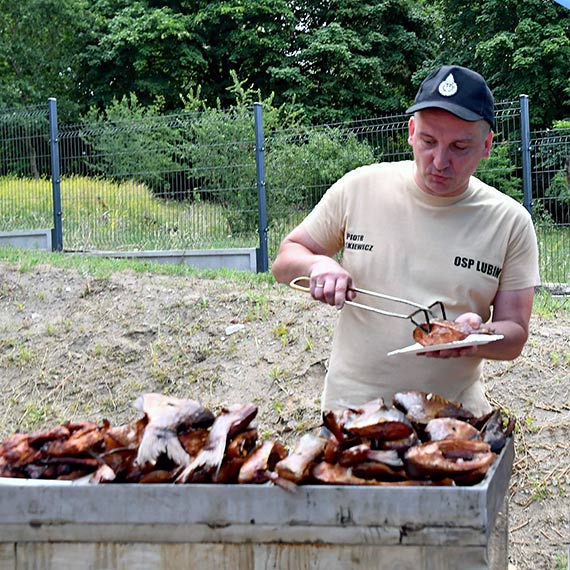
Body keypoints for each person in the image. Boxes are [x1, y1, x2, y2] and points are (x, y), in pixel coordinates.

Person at [271, 65, 540, 417]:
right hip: (353, 411)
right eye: (429, 142)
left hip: (452, 415)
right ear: (412, 132)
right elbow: (284, 261)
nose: (440, 161)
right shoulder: (359, 188)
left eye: (460, 147)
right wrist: (317, 264)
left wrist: (476, 336)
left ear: (487, 145)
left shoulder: (510, 222)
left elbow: (515, 335)